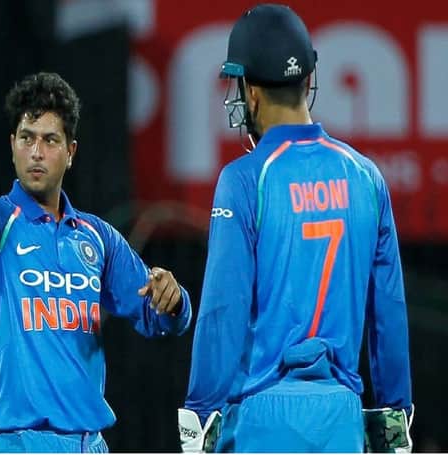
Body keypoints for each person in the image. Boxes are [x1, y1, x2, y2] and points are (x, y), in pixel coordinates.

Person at [0, 72, 192, 453]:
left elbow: (158, 317)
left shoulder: (97, 237)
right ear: (12, 145)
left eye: (50, 140)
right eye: (27, 138)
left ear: (70, 152)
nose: (36, 152)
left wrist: (174, 300)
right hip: (20, 443)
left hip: (91, 444)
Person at [177, 4, 413, 453]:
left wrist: (200, 412)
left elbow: (223, 309)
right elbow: (389, 312)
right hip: (341, 420)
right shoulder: (366, 176)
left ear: (250, 92)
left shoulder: (244, 179)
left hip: (260, 419)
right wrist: (395, 412)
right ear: (309, 80)